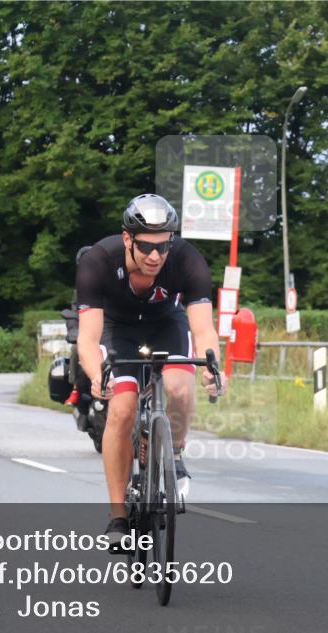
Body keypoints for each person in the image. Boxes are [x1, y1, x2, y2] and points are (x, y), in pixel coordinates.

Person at [74, 193, 226, 547]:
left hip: (165, 325)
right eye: (146, 247)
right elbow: (88, 337)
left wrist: (211, 365)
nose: (156, 256)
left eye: (163, 246)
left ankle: (173, 451)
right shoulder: (98, 261)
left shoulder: (188, 260)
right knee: (122, 409)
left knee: (179, 388)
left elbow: (203, 328)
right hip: (118, 331)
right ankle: (118, 517)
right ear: (128, 239)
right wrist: (98, 375)